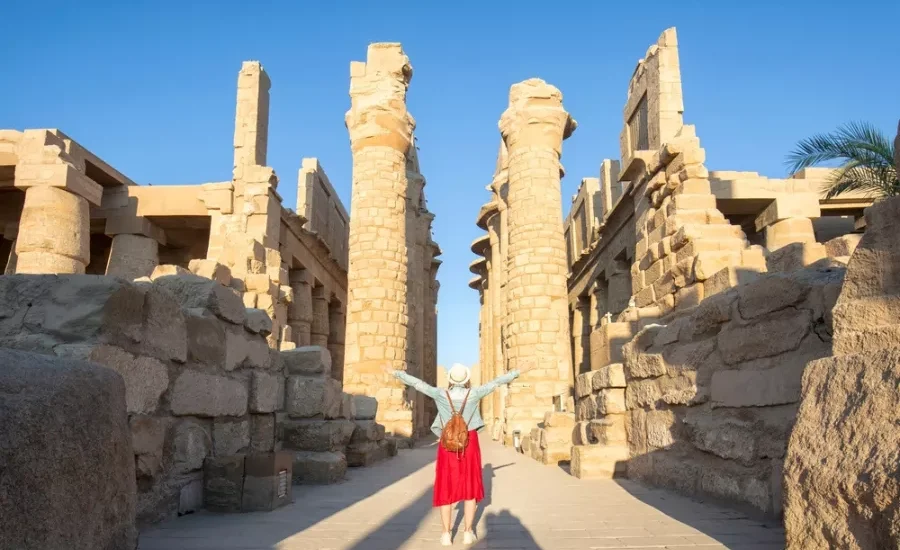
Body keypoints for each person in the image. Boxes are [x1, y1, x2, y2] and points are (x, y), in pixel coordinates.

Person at [382, 360, 534, 546]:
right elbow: (497, 382)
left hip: (448, 443)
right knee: (470, 487)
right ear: (466, 380)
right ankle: (468, 532)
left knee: (446, 485)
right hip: (469, 442)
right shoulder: (474, 393)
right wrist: (519, 370)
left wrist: (395, 372)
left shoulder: (440, 394)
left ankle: (446, 533)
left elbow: (417, 384)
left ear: (451, 380)